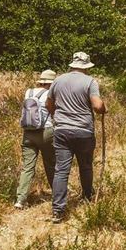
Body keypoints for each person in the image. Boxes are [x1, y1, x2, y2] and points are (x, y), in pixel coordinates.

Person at [46, 52, 107, 224]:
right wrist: (103, 108)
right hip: (83, 131)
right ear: (86, 67)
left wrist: (57, 118)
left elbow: (48, 104)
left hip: (62, 130)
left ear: (72, 65)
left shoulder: (58, 80)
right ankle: (87, 197)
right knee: (86, 166)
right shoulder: (90, 82)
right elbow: (97, 105)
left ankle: (58, 210)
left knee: (61, 170)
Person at [14, 69, 56, 210]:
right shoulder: (50, 94)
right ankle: (57, 194)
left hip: (28, 132)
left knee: (27, 167)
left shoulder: (29, 92)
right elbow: (53, 112)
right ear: (51, 83)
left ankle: (20, 199)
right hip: (45, 131)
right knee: (50, 164)